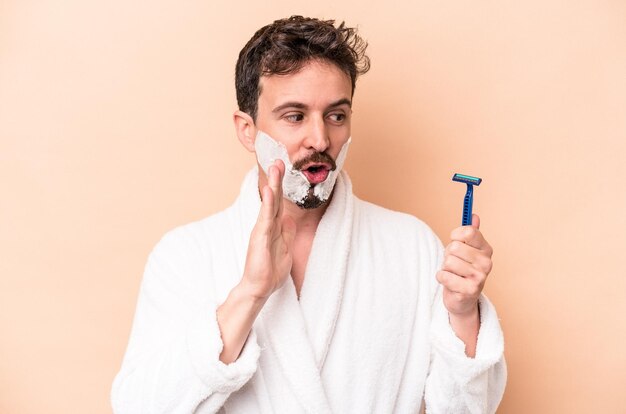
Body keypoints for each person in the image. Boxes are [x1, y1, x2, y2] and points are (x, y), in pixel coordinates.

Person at [111, 15, 506, 414]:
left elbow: (467, 410)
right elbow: (140, 407)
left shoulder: (411, 247)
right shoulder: (185, 255)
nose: (320, 139)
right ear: (247, 130)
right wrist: (250, 293)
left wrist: (463, 315)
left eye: (336, 115)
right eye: (295, 116)